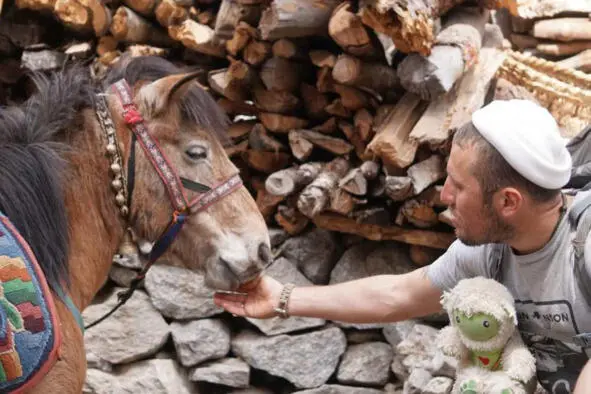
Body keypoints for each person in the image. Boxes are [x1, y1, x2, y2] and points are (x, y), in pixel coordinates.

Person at [214, 99, 591, 394]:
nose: (444, 196)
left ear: (508, 203)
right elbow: (399, 295)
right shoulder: (491, 251)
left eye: (459, 187)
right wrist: (282, 298)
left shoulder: (584, 241)